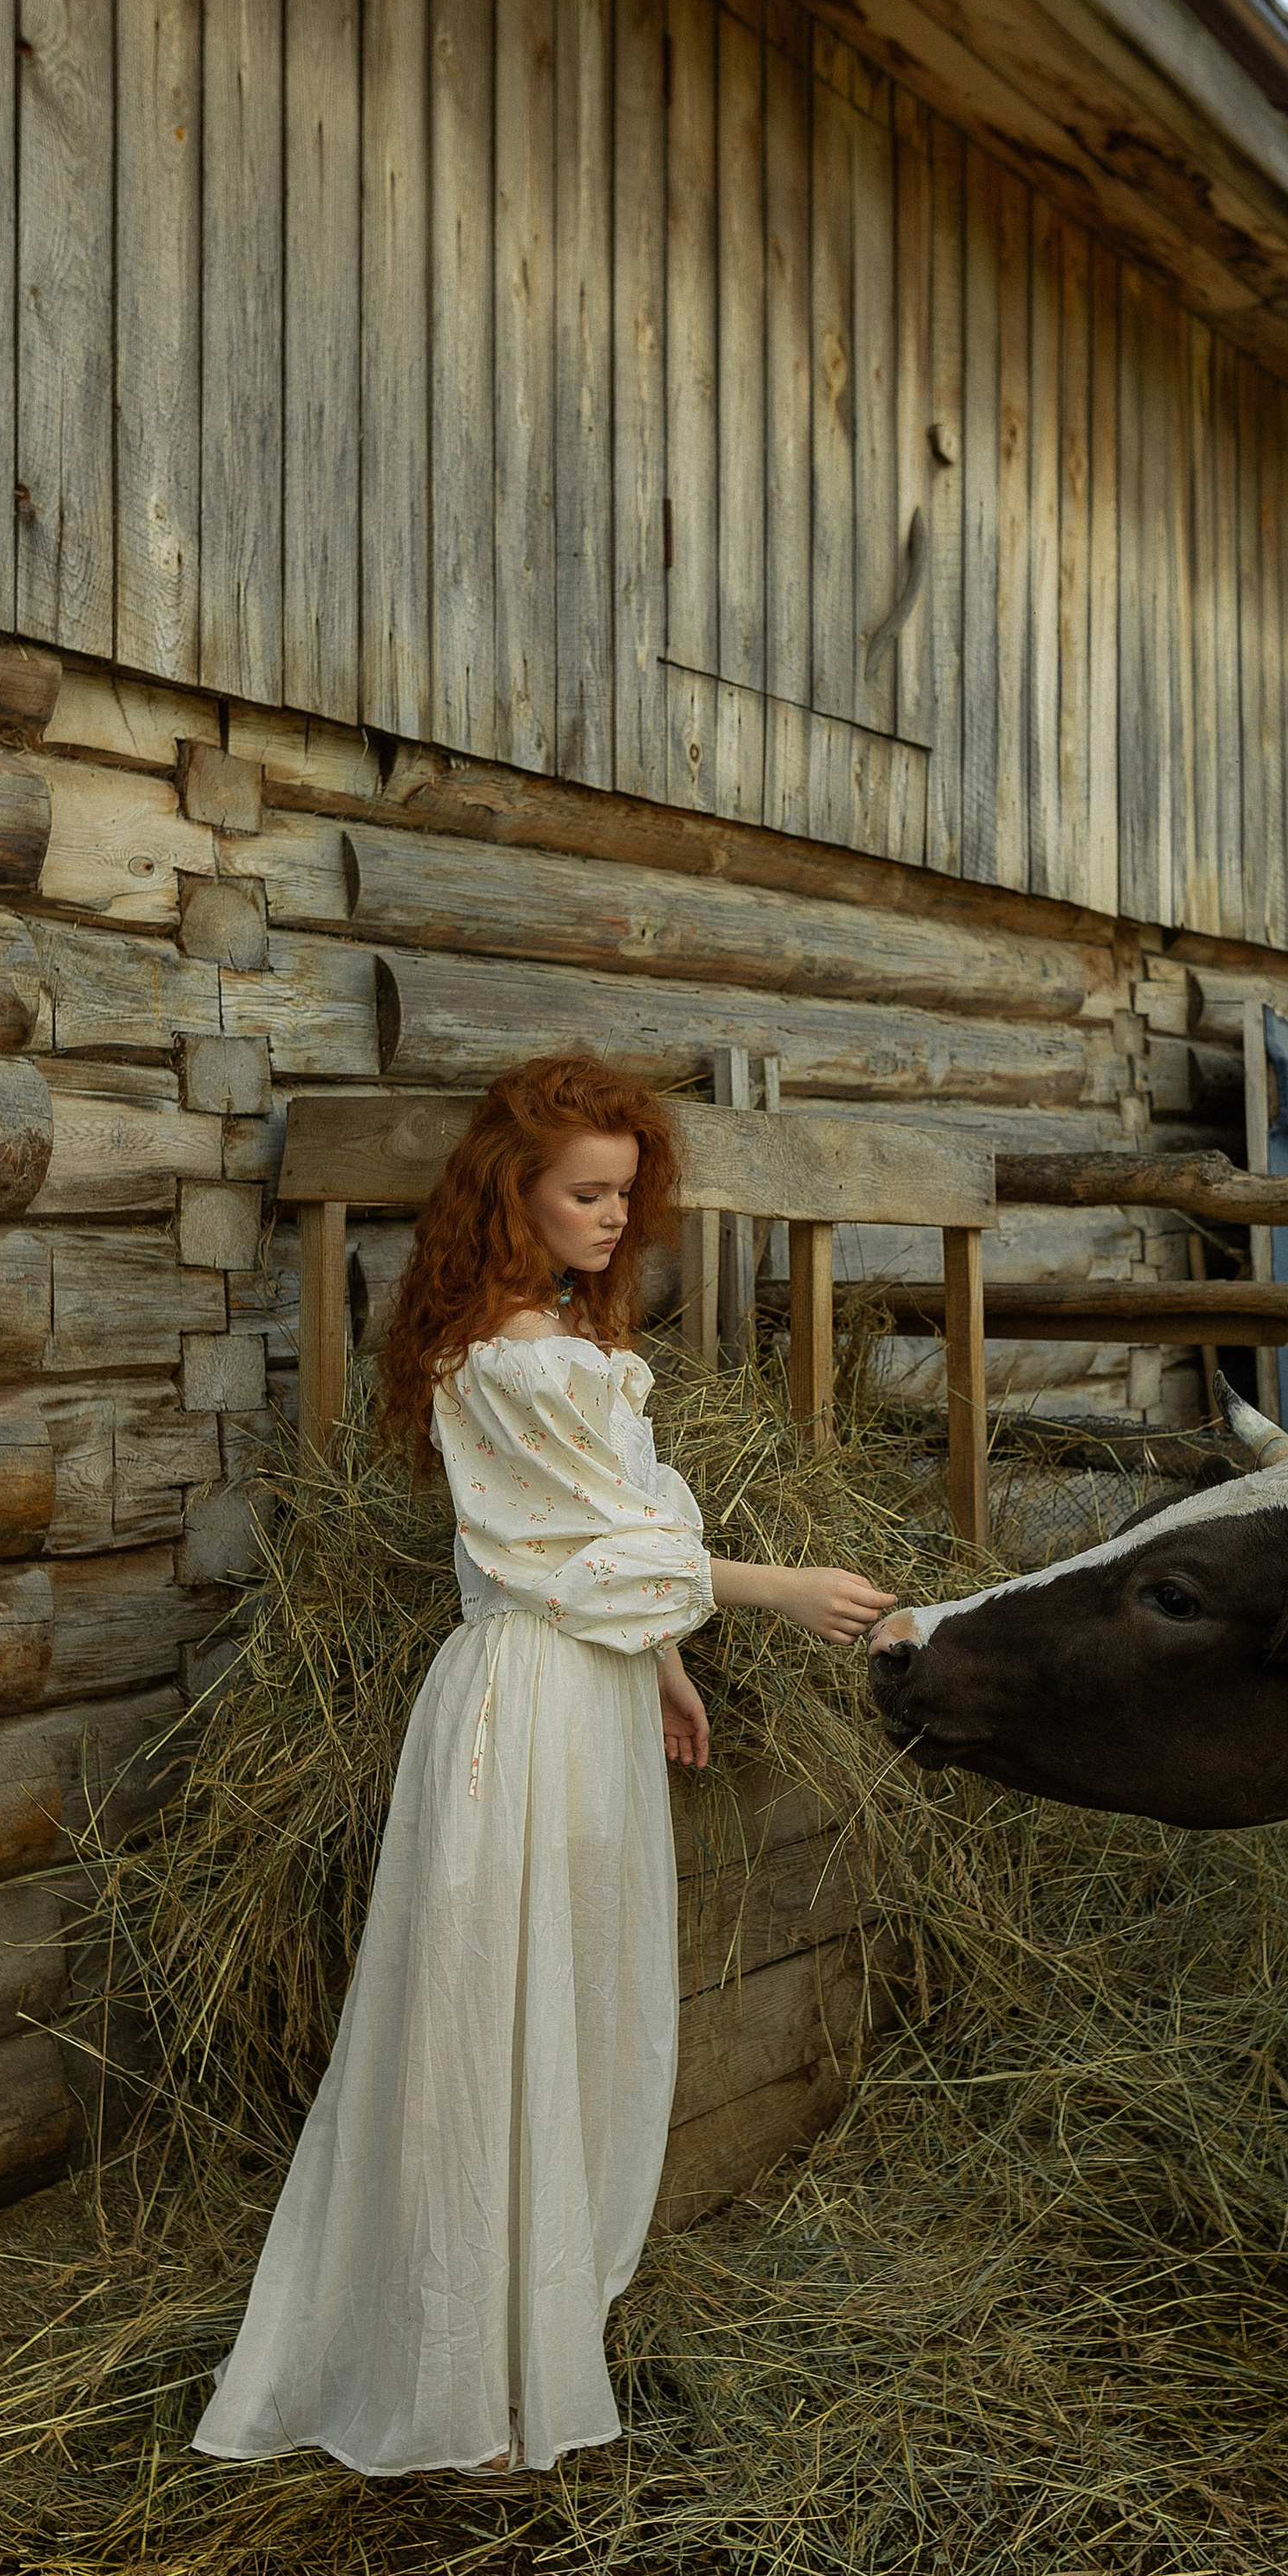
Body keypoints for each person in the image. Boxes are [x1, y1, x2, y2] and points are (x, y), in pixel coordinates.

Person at [192, 1053, 898, 2482]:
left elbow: (603, 1543)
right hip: (516, 1708)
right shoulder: (505, 1359)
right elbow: (580, 1552)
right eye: (583, 1193)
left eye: (624, 1195)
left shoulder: (570, 1343)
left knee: (569, 1994)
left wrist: (667, 1666)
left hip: (590, 1697)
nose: (609, 1217)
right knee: (485, 2013)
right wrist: (776, 1589)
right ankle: (455, 2369)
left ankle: (527, 2340)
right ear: (509, 1194)